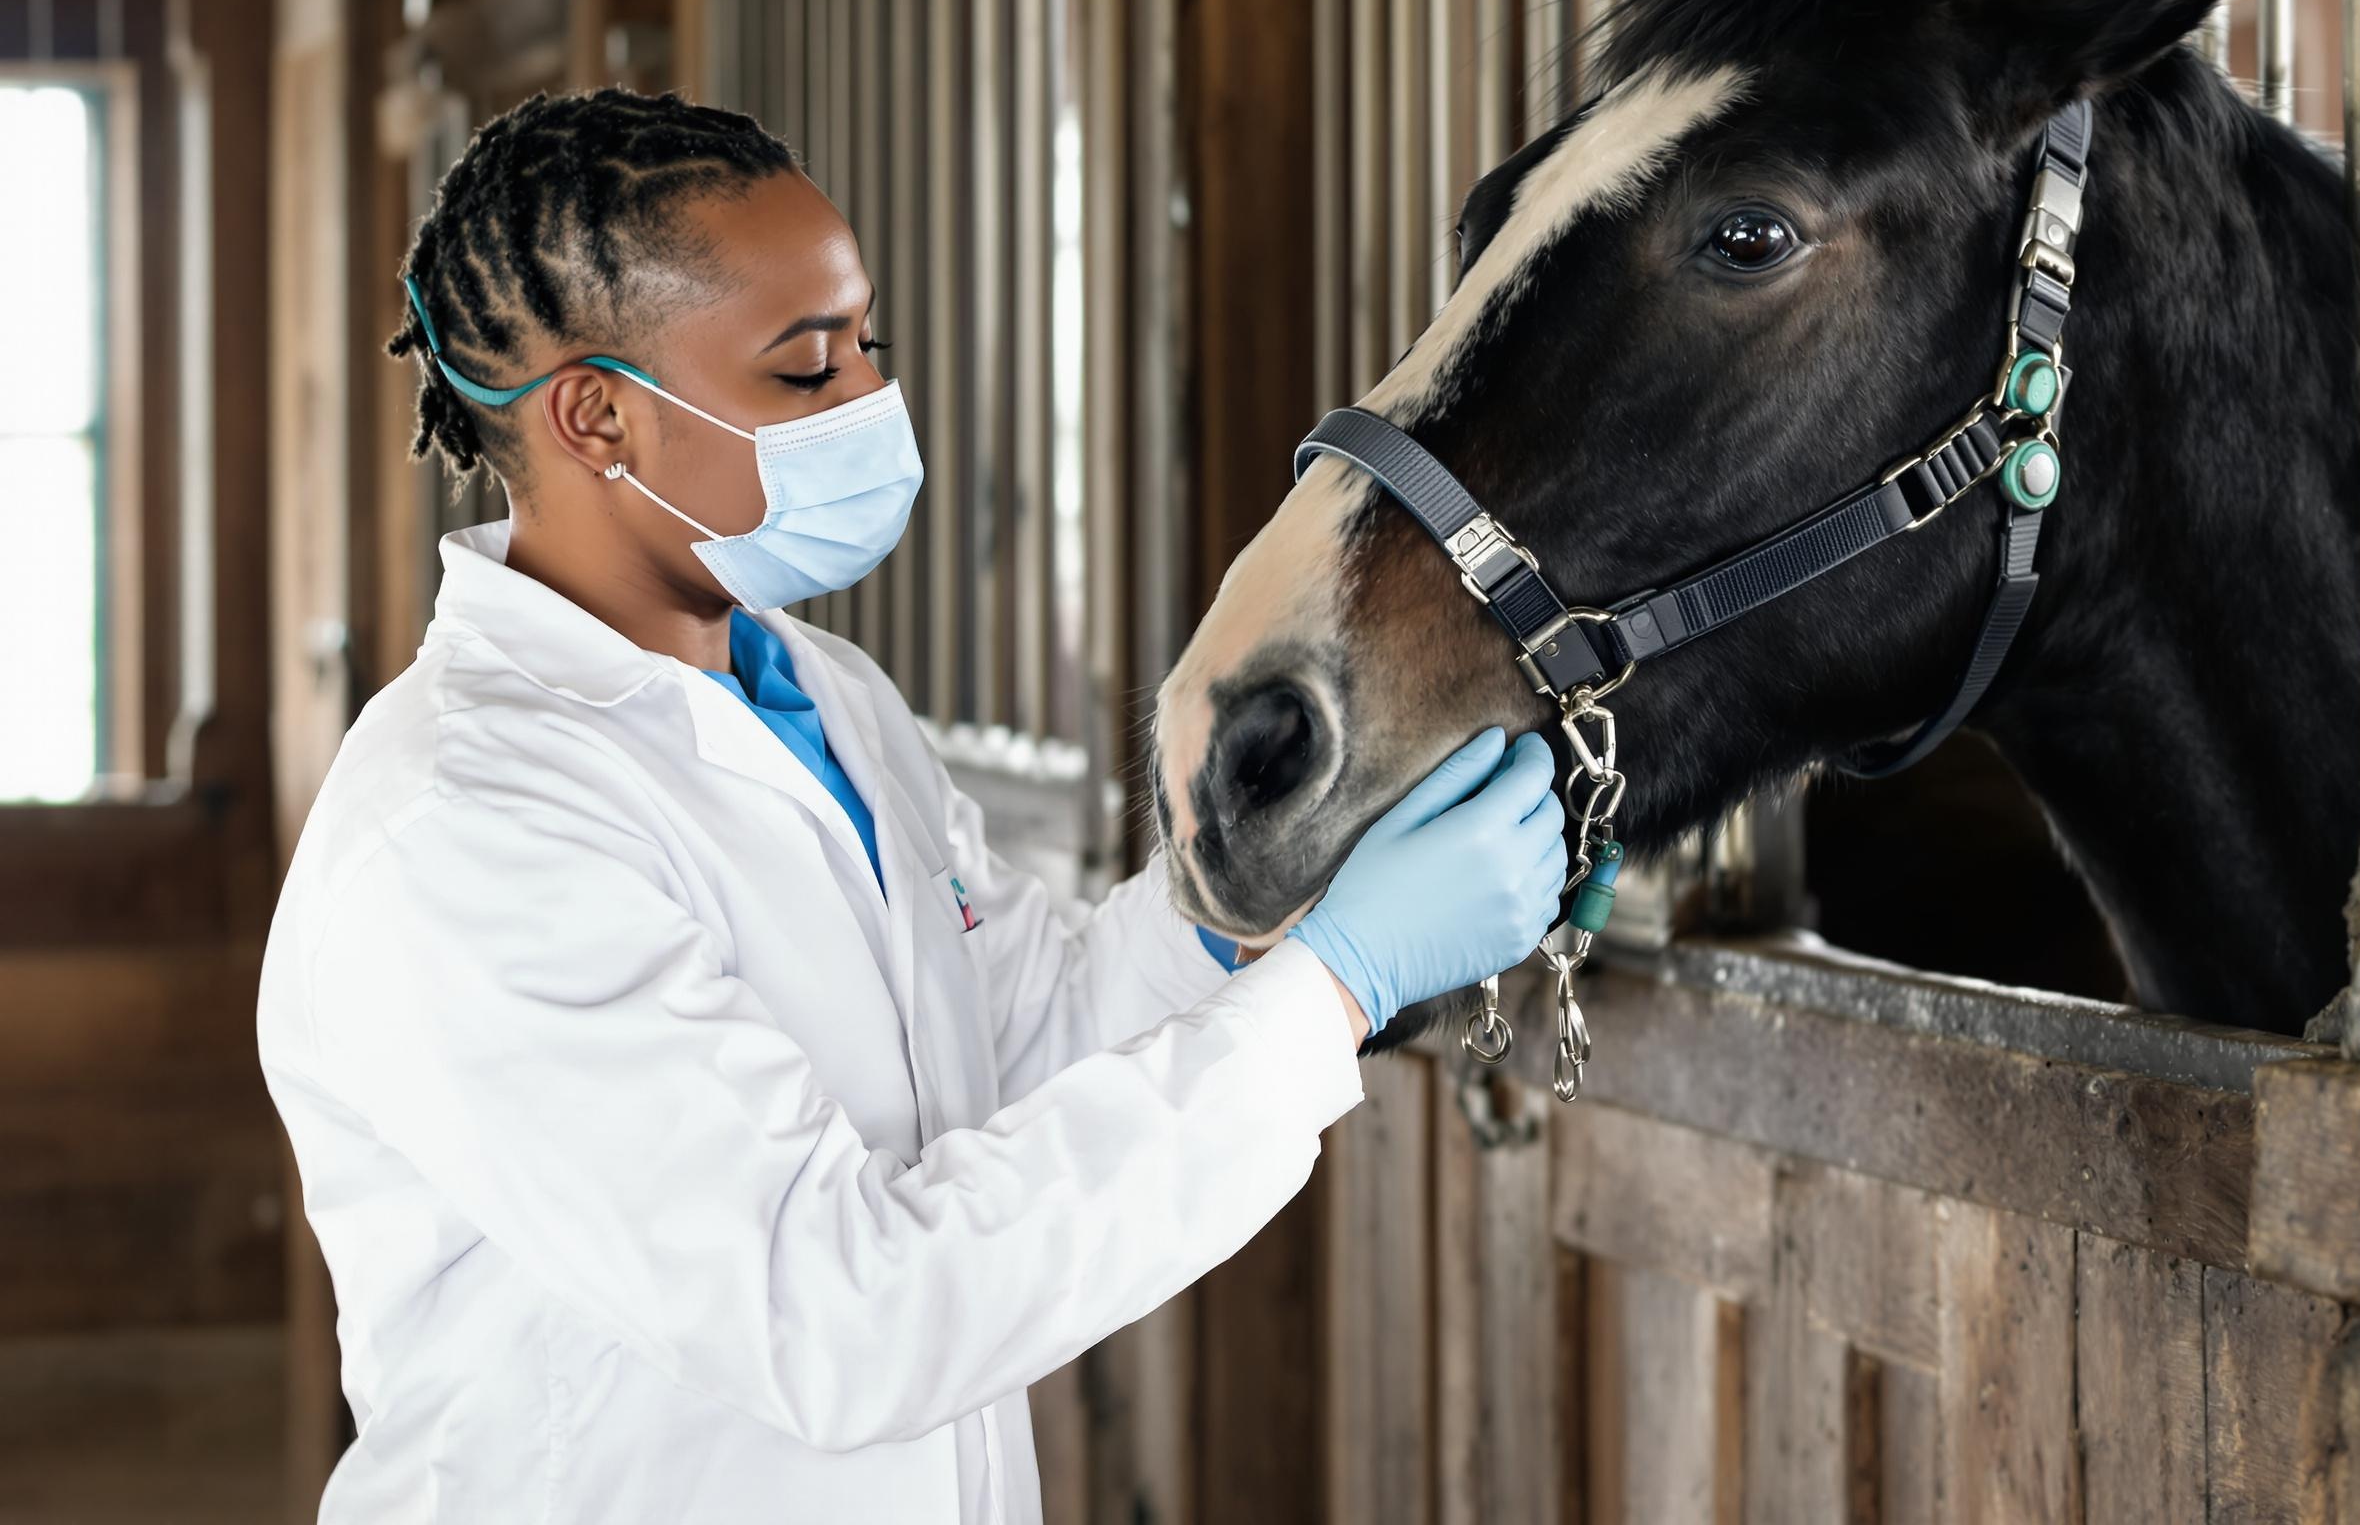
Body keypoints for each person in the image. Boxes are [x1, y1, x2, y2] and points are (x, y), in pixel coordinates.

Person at [255, 89, 1565, 1524]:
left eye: (866, 347)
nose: (871, 408)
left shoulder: (823, 696)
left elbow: (1024, 1038)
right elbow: (841, 1316)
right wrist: (1332, 990)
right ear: (597, 415)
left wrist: (1273, 900)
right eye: (806, 375)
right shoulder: (463, 828)